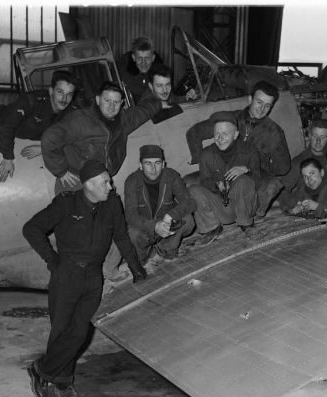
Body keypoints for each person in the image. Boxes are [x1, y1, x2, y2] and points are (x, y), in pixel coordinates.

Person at [23, 159, 147, 397]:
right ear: (89, 184)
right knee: (61, 331)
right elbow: (31, 228)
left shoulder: (112, 204)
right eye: (105, 183)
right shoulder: (66, 203)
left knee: (79, 333)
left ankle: (41, 369)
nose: (110, 187)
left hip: (93, 278)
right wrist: (52, 261)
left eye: (109, 182)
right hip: (66, 276)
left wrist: (136, 267)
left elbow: (121, 236)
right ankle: (62, 381)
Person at [186, 80, 290, 217]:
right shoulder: (230, 119)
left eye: (267, 105)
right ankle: (214, 214)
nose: (262, 109)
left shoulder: (274, 132)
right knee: (188, 182)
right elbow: (194, 133)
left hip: (251, 175)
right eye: (259, 102)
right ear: (250, 99)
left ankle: (250, 213)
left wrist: (255, 167)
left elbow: (283, 167)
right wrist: (204, 162)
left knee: (272, 184)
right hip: (220, 169)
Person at [41, 80, 161, 194]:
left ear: (122, 103)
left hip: (102, 180)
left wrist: (160, 97)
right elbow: (49, 138)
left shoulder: (123, 121)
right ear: (98, 100)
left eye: (116, 102)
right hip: (76, 181)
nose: (111, 106)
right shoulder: (80, 120)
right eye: (107, 100)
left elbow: (144, 111)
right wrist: (61, 171)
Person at [0, 70, 78, 182]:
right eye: (60, 92)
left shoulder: (71, 112)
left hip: (28, 135)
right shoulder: (30, 101)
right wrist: (7, 158)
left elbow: (73, 136)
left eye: (69, 94)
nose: (64, 99)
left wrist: (44, 148)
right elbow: (7, 127)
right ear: (51, 91)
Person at [188, 112, 260, 244]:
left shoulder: (250, 150)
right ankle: (212, 229)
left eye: (225, 134)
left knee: (243, 180)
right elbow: (204, 181)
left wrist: (246, 170)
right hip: (223, 208)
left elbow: (258, 180)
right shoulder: (206, 154)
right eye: (217, 134)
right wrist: (217, 185)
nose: (220, 138)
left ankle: (246, 225)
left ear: (236, 134)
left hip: (245, 205)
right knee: (193, 189)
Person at [123, 144, 196, 262]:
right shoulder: (132, 181)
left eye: (157, 163)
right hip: (146, 227)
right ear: (140, 166)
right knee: (132, 233)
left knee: (188, 220)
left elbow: (190, 202)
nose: (153, 168)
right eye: (148, 164)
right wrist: (154, 226)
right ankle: (145, 255)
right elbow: (130, 215)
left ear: (163, 164)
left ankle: (166, 248)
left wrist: (171, 215)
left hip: (167, 224)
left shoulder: (171, 176)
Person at [280, 119, 327, 194]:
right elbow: (283, 190)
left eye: (322, 137)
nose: (318, 141)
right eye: (315, 136)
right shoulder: (298, 162)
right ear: (309, 136)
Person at [117, 36, 163, 103]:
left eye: (147, 58)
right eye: (140, 58)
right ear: (133, 58)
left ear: (153, 58)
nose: (143, 63)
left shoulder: (162, 75)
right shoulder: (121, 73)